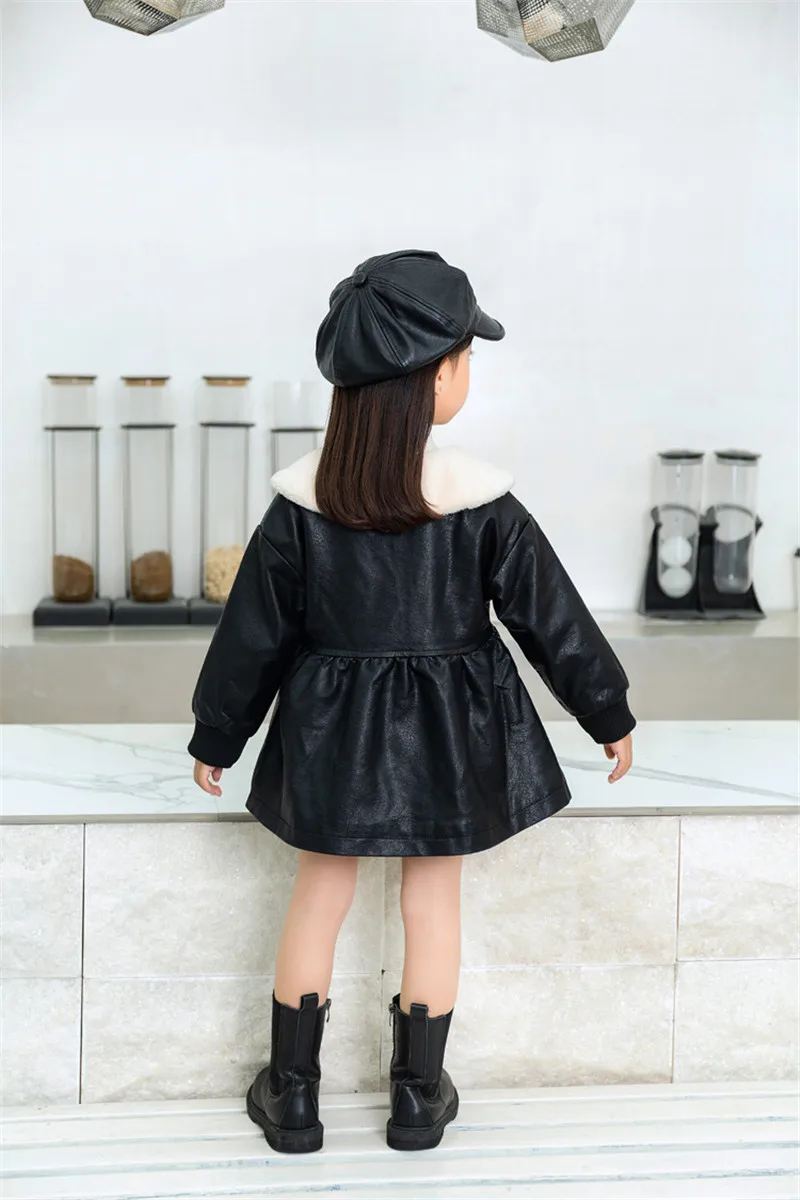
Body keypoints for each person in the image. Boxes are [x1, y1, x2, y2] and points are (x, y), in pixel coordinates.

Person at [188, 249, 636, 1156]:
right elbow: (550, 616)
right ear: (434, 375)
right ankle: (418, 1097)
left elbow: (252, 634)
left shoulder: (303, 505)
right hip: (451, 731)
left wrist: (218, 733)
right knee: (434, 901)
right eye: (465, 358)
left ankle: (294, 1095)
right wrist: (607, 711)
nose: (467, 373)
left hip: (331, 731)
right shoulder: (480, 502)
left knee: (319, 894)